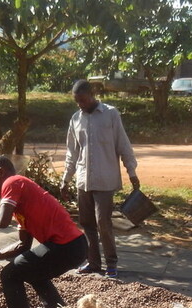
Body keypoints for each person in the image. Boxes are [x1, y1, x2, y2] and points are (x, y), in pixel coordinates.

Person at [0, 155, 88, 308]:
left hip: (66, 246)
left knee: (9, 274)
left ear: (1, 172)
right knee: (33, 272)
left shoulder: (12, 182)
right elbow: (23, 245)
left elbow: (1, 221)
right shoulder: (21, 202)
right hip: (73, 247)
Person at [59, 79, 139, 279]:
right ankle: (93, 262)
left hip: (105, 180)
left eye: (83, 100)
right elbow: (72, 153)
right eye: (77, 101)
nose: (81, 104)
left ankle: (111, 263)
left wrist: (132, 172)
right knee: (86, 223)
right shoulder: (76, 119)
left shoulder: (110, 114)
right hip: (83, 179)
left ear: (92, 94)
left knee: (103, 221)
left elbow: (123, 144)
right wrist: (66, 179)